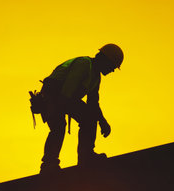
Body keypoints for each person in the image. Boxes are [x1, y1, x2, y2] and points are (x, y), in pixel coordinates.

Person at [38, 44, 124, 174]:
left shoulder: (95, 77)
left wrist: (102, 121)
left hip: (64, 98)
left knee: (89, 117)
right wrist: (59, 110)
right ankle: (49, 164)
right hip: (52, 96)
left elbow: (93, 103)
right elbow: (67, 90)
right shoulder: (84, 64)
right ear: (105, 60)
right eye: (112, 66)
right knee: (59, 126)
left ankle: (86, 156)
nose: (112, 70)